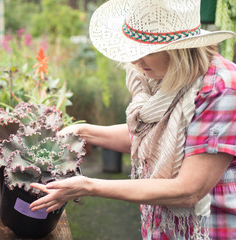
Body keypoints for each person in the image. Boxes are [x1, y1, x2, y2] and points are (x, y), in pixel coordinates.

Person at [29, 0, 236, 239]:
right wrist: (83, 132)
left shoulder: (222, 88)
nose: (135, 61)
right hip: (163, 227)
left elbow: (188, 190)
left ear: (178, 49)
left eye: (144, 51)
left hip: (206, 230)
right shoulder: (163, 75)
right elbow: (145, 138)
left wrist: (89, 186)